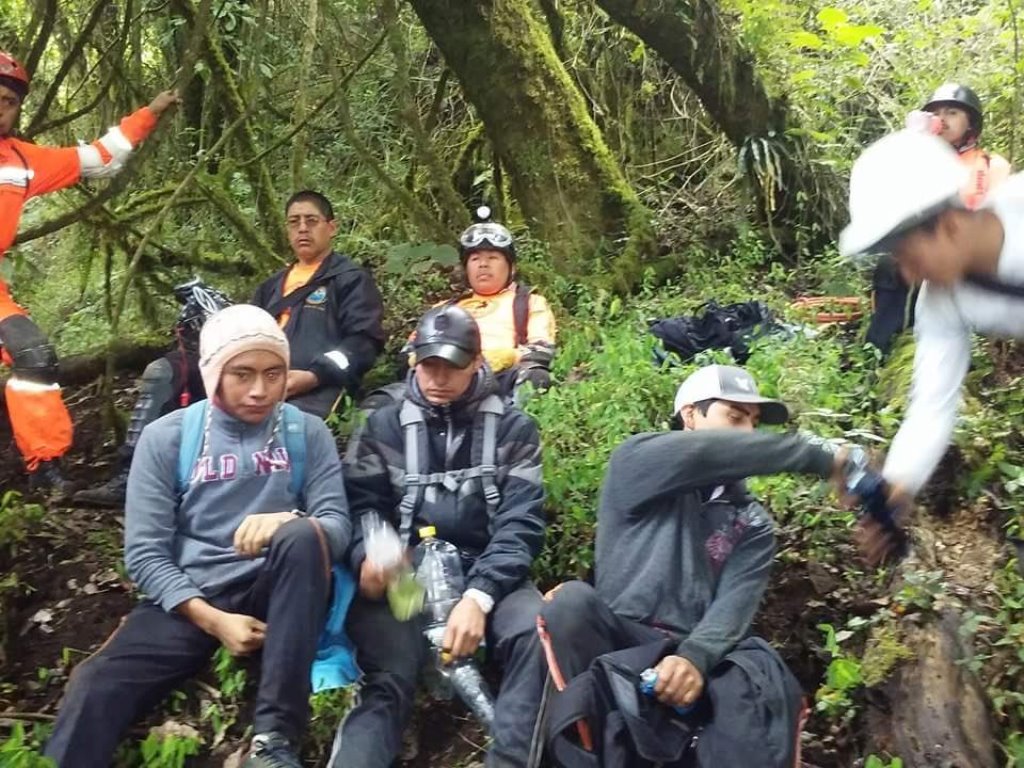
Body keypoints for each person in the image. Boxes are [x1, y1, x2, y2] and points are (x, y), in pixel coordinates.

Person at [44, 304, 351, 768]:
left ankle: (274, 740)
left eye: (273, 374)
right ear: (213, 372)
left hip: (277, 587)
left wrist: (288, 519)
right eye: (242, 374)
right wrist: (213, 620)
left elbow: (337, 526)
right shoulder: (168, 438)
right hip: (195, 593)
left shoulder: (306, 432)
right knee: (96, 684)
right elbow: (145, 552)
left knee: (303, 535)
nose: (260, 390)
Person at [504, 365, 852, 766]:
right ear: (690, 414)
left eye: (753, 423)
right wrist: (820, 458)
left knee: (759, 667)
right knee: (570, 605)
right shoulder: (637, 463)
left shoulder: (752, 521)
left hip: (694, 657)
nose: (746, 432)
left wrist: (694, 658)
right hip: (619, 642)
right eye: (734, 416)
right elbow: (708, 452)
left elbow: (733, 606)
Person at [330, 305, 545, 768]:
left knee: (535, 632)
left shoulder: (515, 428)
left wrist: (479, 596)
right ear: (414, 361)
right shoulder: (382, 425)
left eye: (452, 365)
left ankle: (513, 757)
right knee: (388, 676)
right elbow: (360, 505)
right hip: (405, 579)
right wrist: (367, 557)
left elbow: (521, 523)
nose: (438, 377)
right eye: (429, 364)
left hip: (487, 571)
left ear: (477, 361)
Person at [74, 190, 384, 508]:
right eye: (294, 222)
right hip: (249, 375)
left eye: (311, 221)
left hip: (311, 388)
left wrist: (313, 375)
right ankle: (132, 476)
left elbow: (363, 343)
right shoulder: (271, 286)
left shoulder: (350, 280)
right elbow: (243, 334)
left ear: (331, 227)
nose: (302, 229)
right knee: (166, 371)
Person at [841, 128, 1024, 558]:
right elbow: (932, 404)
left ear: (950, 225)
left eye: (908, 256)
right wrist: (896, 488)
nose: (907, 274)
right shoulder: (941, 300)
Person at [0, 50, 179, 490]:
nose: (0, 108)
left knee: (34, 356)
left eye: (8, 101)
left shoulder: (21, 162)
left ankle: (44, 468)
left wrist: (149, 113)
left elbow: (100, 159)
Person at [867, 83, 1011, 353]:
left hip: (966, 259)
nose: (942, 120)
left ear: (970, 123)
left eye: (952, 113)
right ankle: (881, 348)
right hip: (924, 254)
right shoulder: (919, 161)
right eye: (936, 113)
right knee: (892, 265)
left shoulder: (991, 165)